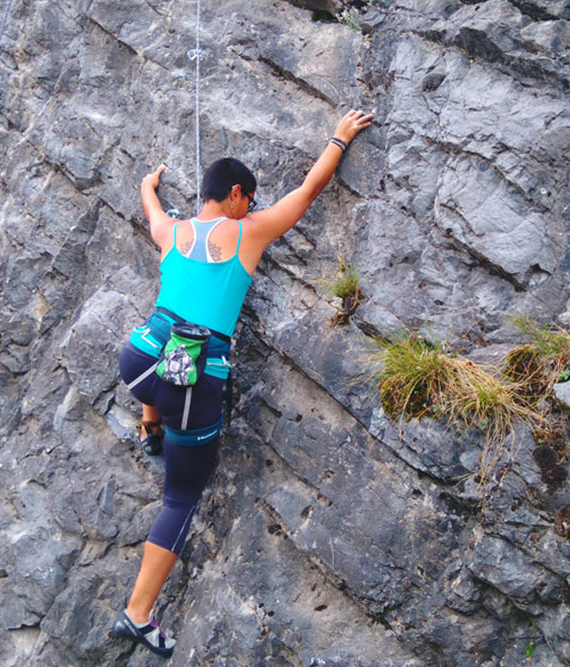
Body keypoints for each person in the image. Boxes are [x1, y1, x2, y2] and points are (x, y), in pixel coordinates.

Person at [112, 109, 374, 657]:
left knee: (164, 364)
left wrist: (146, 185)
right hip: (191, 377)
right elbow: (309, 189)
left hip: (137, 359)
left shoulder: (172, 230)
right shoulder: (248, 232)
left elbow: (153, 211)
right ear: (235, 194)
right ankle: (138, 614)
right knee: (181, 495)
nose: (252, 208)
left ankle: (148, 424)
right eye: (249, 199)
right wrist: (338, 138)